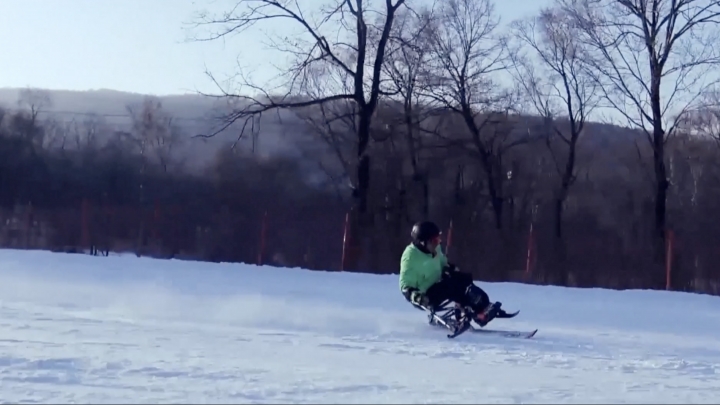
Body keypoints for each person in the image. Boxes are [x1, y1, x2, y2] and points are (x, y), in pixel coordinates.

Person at [399, 220, 504, 325]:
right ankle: (472, 313)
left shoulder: (434, 248)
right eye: (435, 240)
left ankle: (483, 305)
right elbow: (405, 285)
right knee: (452, 286)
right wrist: (416, 296)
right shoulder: (410, 257)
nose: (438, 243)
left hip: (437, 283)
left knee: (464, 279)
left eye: (439, 239)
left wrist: (450, 268)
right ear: (423, 242)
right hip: (425, 296)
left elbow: (442, 262)